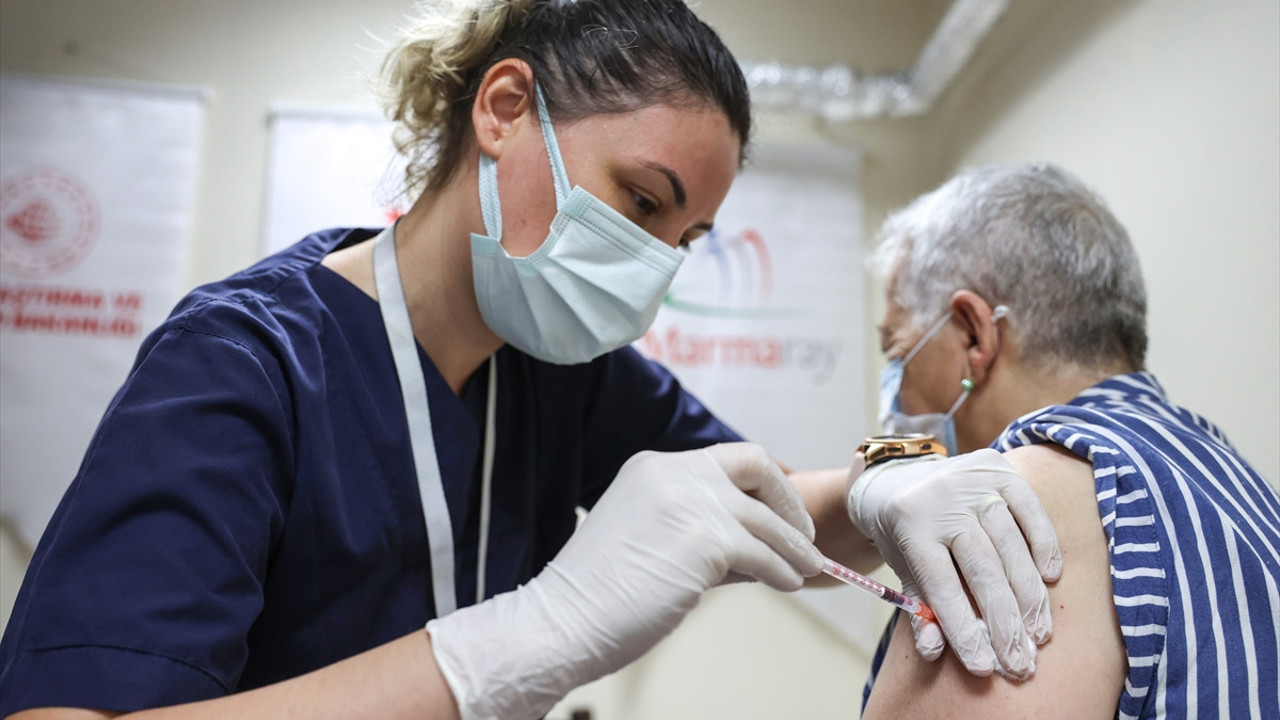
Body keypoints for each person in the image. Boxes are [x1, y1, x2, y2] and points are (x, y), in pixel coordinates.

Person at [0, 3, 1061, 718]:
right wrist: (513, 645)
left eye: (681, 242)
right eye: (641, 204)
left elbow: (768, 503)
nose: (651, 265)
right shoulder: (242, 363)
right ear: (503, 111)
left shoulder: (559, 366)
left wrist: (891, 485)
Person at [854, 161, 1280, 719]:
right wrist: (877, 467)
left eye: (896, 353)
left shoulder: (1010, 505)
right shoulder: (1236, 483)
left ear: (973, 334)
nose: (896, 396)